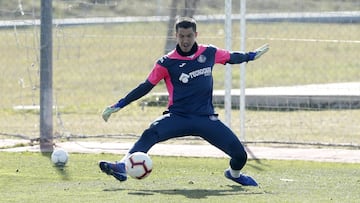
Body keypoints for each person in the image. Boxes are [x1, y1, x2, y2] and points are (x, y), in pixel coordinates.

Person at [99, 17, 268, 186]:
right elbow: (145, 86)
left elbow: (232, 57)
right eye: (181, 36)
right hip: (177, 117)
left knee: (240, 156)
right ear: (176, 36)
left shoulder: (209, 52)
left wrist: (251, 56)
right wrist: (119, 105)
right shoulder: (166, 62)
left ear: (196, 34)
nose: (185, 40)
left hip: (205, 118)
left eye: (189, 36)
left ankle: (234, 174)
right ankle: (122, 166)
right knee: (150, 133)